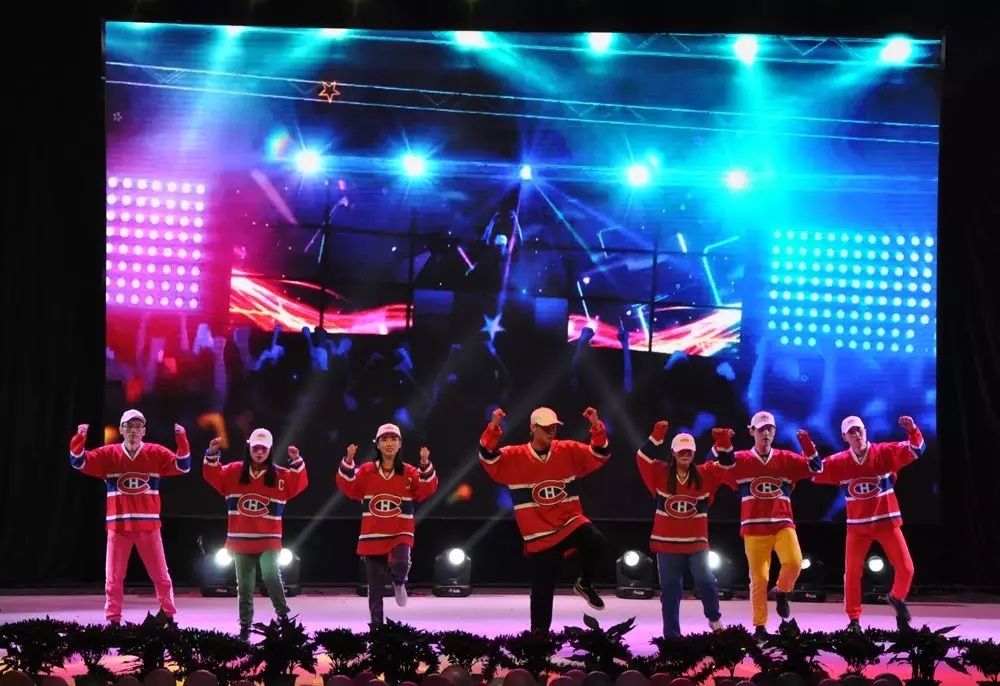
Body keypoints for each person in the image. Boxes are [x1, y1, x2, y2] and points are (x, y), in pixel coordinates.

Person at [478, 406, 610, 634]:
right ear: (533, 428)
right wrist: (494, 428)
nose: (551, 431)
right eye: (546, 427)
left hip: (569, 521)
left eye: (554, 427)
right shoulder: (515, 456)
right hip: (539, 533)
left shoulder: (567, 450)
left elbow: (600, 455)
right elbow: (488, 458)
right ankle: (538, 640)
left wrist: (597, 427)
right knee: (542, 590)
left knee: (596, 541)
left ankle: (584, 583)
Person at [798, 415, 925, 631]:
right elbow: (813, 471)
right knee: (852, 573)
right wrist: (806, 445)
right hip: (857, 528)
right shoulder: (840, 462)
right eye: (851, 432)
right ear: (844, 437)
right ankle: (854, 620)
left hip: (886, 522)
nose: (857, 434)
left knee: (906, 568)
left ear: (865, 430)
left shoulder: (884, 453)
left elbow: (916, 449)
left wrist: (912, 429)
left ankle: (896, 598)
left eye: (859, 430)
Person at [69, 409, 191, 625]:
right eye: (128, 426)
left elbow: (183, 466)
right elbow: (78, 462)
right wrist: (79, 438)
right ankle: (113, 621)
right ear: (121, 430)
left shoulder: (155, 452)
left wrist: (181, 439)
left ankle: (169, 617)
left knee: (161, 577)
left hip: (149, 527)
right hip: (118, 527)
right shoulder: (109, 454)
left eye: (137, 427)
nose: (133, 431)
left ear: (144, 431)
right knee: (113, 578)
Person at [709, 411, 823, 638]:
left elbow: (816, 468)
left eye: (770, 429)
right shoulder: (740, 460)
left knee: (794, 563)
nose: (766, 433)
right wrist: (720, 442)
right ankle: (760, 627)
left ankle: (782, 591)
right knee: (759, 579)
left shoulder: (786, 459)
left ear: (775, 432)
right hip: (754, 528)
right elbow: (712, 466)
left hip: (783, 524)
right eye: (761, 429)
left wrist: (806, 443)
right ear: (751, 431)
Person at [203, 428, 309, 641]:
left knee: (271, 576)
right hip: (240, 540)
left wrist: (297, 461)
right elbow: (213, 476)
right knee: (244, 586)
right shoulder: (233, 472)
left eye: (264, 449)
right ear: (249, 448)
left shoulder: (280, 476)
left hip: (268, 538)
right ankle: (245, 626)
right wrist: (212, 454)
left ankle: (284, 618)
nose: (259, 452)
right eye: (256, 448)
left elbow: (299, 483)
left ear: (270, 450)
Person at [336, 423, 438, 625]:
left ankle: (399, 582)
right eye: (384, 440)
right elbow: (349, 486)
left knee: (401, 564)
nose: (389, 443)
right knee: (375, 590)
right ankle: (377, 632)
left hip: (401, 530)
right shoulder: (367, 471)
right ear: (378, 444)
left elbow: (426, 488)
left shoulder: (408, 471)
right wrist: (348, 460)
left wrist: (424, 463)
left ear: (400, 444)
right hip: (373, 533)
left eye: (393, 439)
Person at [636, 421, 728, 637]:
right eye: (681, 450)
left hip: (696, 544)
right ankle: (672, 638)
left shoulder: (705, 474)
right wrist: (658, 433)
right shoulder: (660, 473)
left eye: (689, 450)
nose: (685, 454)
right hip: (666, 545)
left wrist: (722, 440)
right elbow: (642, 457)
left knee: (706, 581)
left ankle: (714, 619)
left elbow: (726, 465)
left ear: (694, 453)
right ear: (673, 453)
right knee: (670, 592)